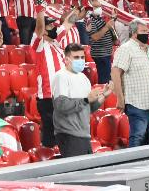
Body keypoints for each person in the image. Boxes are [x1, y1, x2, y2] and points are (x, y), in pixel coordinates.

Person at [112, 19, 149, 146]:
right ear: (134, 33)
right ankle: (134, 165)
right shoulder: (126, 49)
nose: (147, 34)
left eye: (147, 31)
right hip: (137, 102)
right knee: (138, 136)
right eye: (144, 31)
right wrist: (120, 98)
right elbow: (115, 72)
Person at [33, 8, 78, 149]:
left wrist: (81, 4)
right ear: (44, 30)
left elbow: (69, 22)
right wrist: (39, 8)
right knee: (51, 134)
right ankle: (49, 161)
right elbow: (39, 29)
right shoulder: (38, 45)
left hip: (62, 94)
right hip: (47, 96)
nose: (54, 27)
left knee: (63, 131)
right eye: (50, 25)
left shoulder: (56, 43)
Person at [51, 43, 107, 157]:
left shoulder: (84, 78)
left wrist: (104, 96)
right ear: (67, 59)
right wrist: (86, 100)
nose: (80, 60)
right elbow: (61, 106)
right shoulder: (61, 76)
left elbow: (88, 108)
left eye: (82, 57)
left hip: (84, 134)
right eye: (76, 57)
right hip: (68, 134)